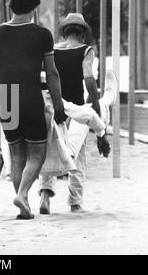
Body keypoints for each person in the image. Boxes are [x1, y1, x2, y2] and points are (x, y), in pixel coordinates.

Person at [0, 70, 117, 210]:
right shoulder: (50, 98)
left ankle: (44, 197)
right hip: (60, 161)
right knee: (87, 111)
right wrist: (101, 134)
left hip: (25, 165)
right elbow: (89, 115)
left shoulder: (11, 103)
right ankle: (107, 100)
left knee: (32, 136)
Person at [0, 0, 66, 220]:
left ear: (11, 4)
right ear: (34, 7)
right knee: (37, 155)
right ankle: (22, 195)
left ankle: (24, 206)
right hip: (30, 96)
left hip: (6, 97)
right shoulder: (42, 34)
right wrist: (59, 104)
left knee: (17, 156)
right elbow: (52, 73)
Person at [39, 13, 106, 214]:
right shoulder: (86, 50)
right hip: (75, 108)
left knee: (52, 148)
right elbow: (89, 78)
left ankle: (44, 194)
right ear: (83, 33)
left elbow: (43, 77)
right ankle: (75, 202)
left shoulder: (51, 50)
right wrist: (94, 105)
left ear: (63, 33)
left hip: (55, 106)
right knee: (78, 155)